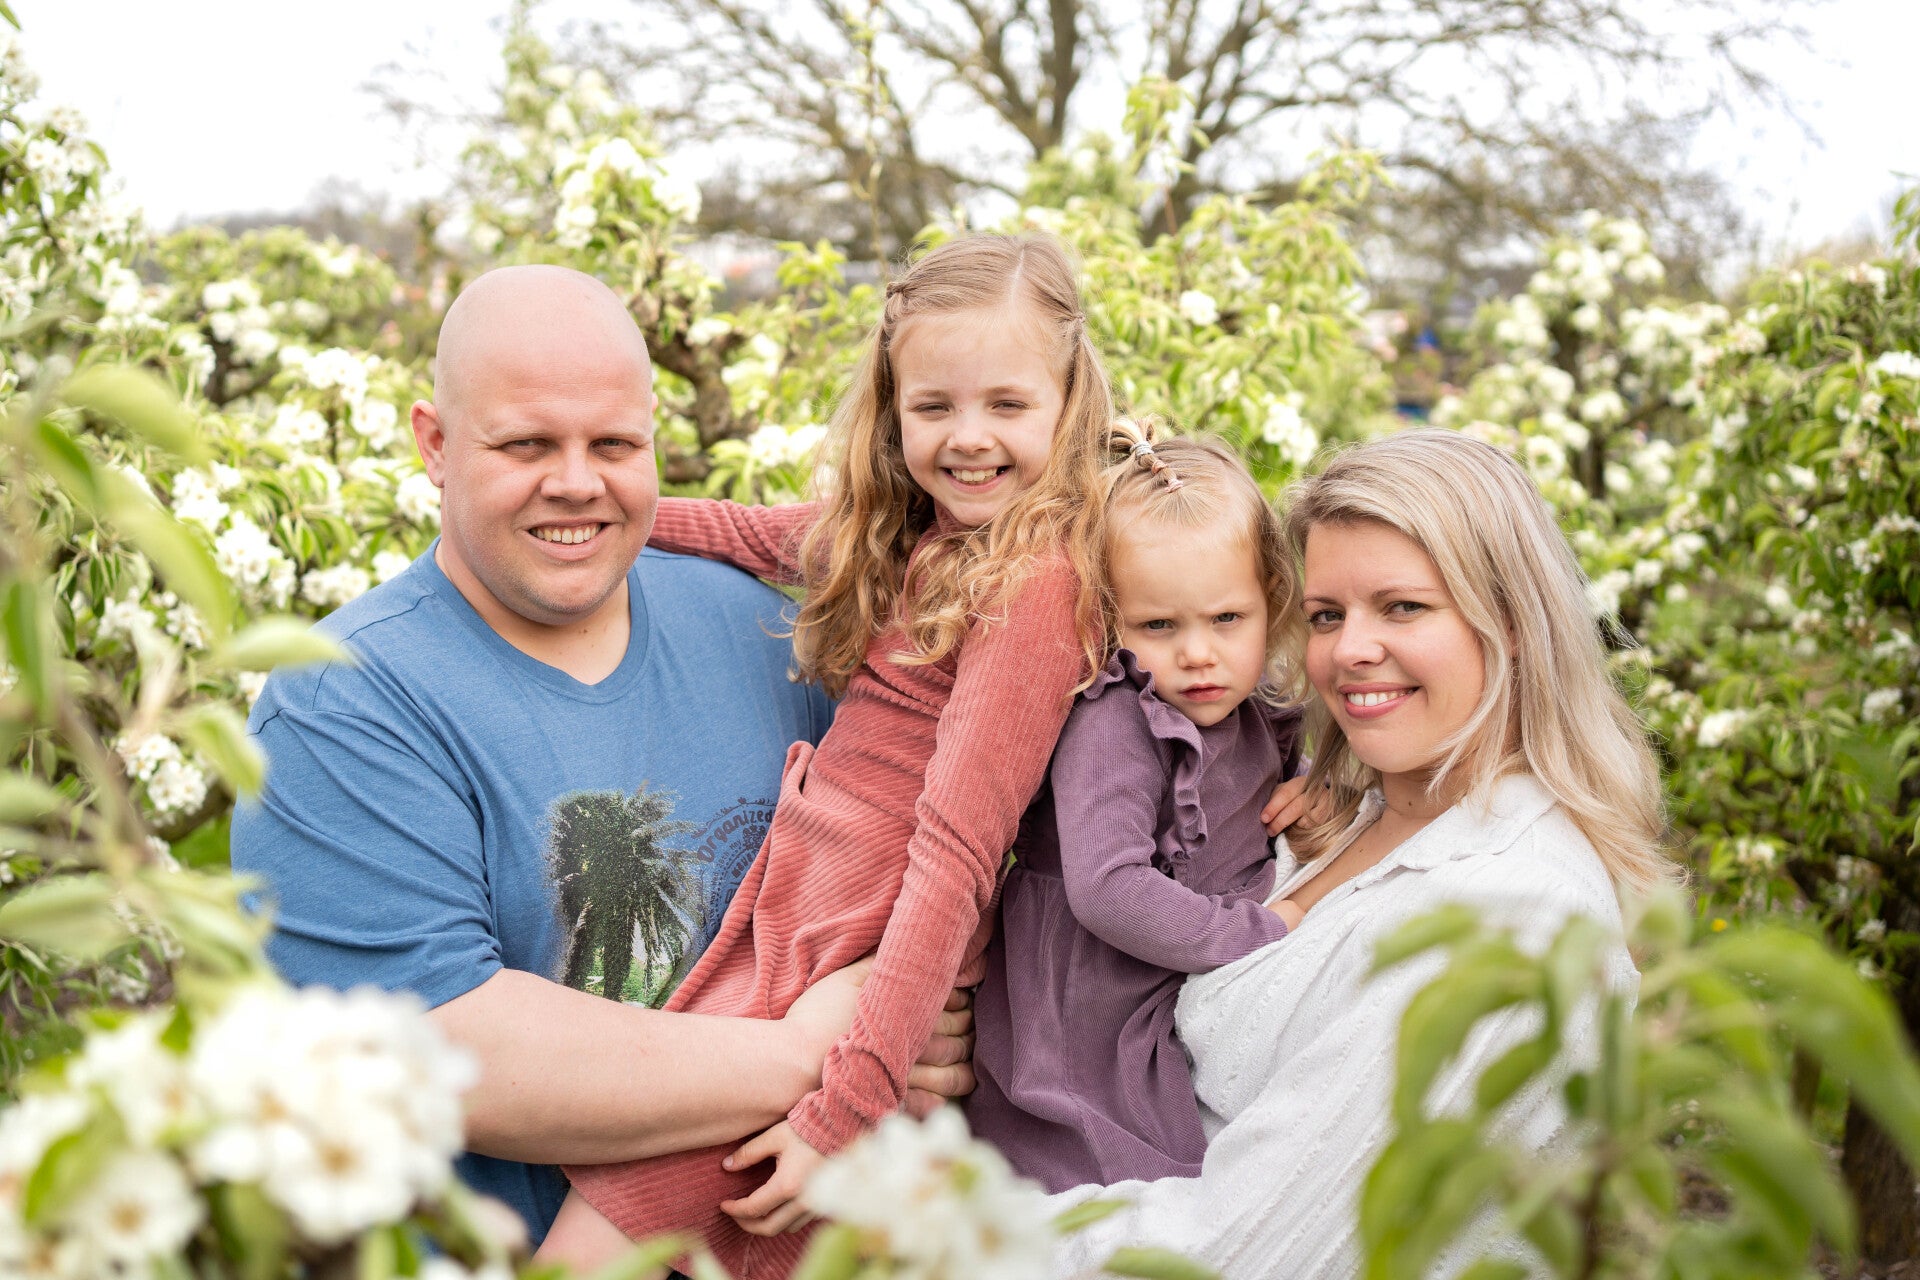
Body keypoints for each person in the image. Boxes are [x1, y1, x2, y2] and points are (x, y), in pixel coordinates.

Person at [230, 265, 972, 1250]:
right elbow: (449, 1051)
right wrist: (833, 1053)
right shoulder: (343, 699)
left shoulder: (764, 629)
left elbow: (908, 868)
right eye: (527, 444)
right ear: (435, 444)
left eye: (614, 444)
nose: (577, 482)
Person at [540, 233, 1121, 1279]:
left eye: (1008, 404)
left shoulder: (1032, 584)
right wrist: (601, 513)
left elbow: (956, 853)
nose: (969, 437)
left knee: (599, 1237)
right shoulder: (917, 538)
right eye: (934, 406)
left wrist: (847, 1104)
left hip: (855, 951)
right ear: (894, 413)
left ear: (1069, 400)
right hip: (800, 916)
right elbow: (749, 533)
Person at [1045, 428, 1670, 1277]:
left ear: (1511, 620)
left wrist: (936, 1223)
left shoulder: (1510, 915)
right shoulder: (1336, 815)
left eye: (1402, 607)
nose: (1347, 651)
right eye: (1327, 615)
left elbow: (1237, 1255)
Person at [965, 425, 1315, 1193]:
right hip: (1090, 998)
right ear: (1108, 620)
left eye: (1227, 619)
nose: (1198, 653)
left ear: (1271, 600)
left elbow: (1280, 775)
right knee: (1112, 1177)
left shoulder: (1253, 705)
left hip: (1179, 968)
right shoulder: (1118, 721)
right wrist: (1256, 931)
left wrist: (1317, 786)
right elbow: (1108, 889)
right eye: (1159, 626)